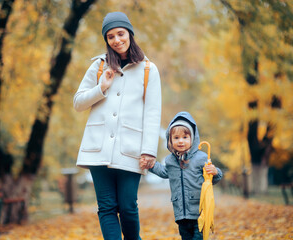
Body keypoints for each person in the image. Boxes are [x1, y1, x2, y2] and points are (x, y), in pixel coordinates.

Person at [73, 12, 162, 240]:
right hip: (98, 149)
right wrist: (101, 87)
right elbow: (78, 103)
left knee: (128, 206)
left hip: (130, 150)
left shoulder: (149, 70)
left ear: (130, 34)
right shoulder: (98, 66)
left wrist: (149, 150)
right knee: (107, 207)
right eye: (110, 36)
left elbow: (152, 113)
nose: (116, 40)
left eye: (120, 34)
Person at [140, 111, 223, 240]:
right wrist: (151, 165)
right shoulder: (170, 160)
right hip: (180, 213)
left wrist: (215, 172)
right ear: (170, 140)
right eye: (176, 138)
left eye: (185, 137)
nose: (181, 141)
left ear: (192, 139)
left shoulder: (201, 158)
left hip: (200, 212)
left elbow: (213, 179)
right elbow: (164, 172)